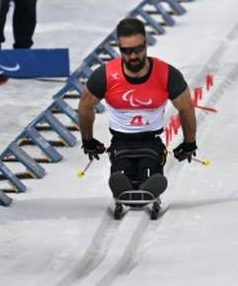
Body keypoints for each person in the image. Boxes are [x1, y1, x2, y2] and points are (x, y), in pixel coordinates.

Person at [78, 18, 198, 201]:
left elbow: (186, 108)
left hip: (151, 141)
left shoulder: (167, 74)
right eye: (126, 51)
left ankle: (148, 182)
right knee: (122, 167)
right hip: (121, 142)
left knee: (149, 164)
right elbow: (85, 106)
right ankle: (123, 182)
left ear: (146, 43)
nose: (133, 56)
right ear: (119, 47)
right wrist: (88, 141)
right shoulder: (105, 75)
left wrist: (189, 143)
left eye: (138, 49)